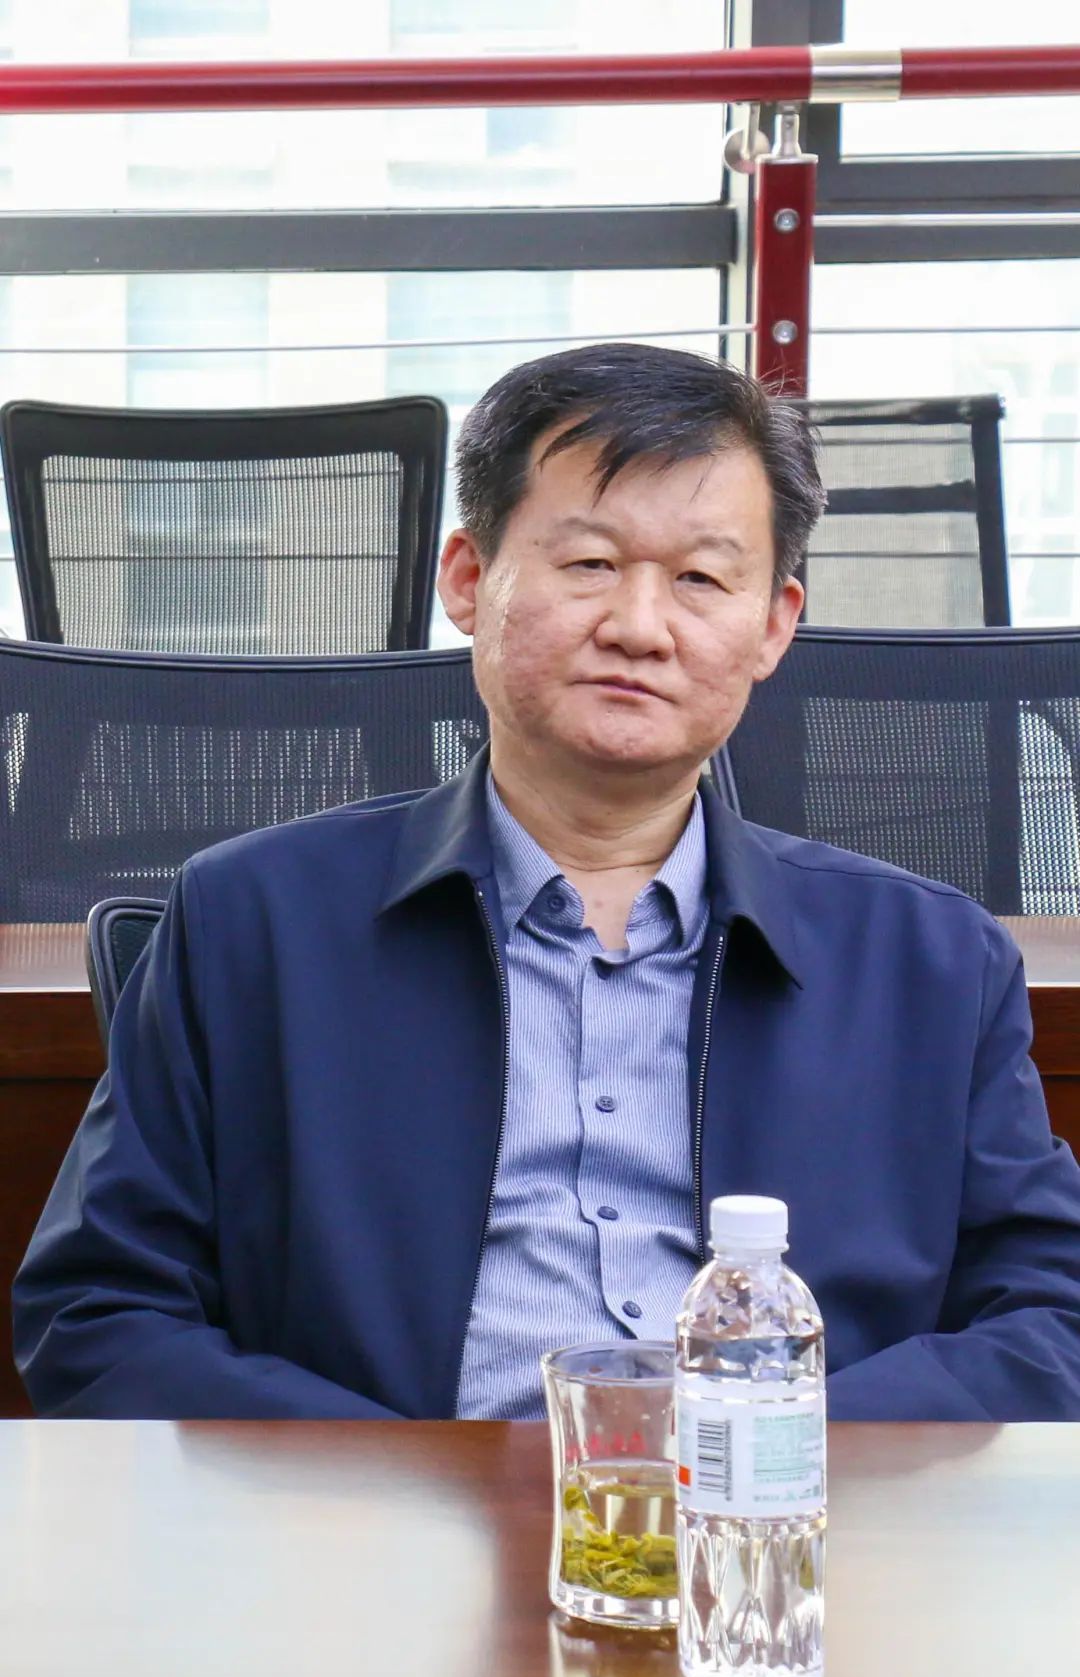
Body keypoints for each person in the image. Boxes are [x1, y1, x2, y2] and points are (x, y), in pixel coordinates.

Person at [13, 342, 1080, 1421]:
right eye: (589, 563)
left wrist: (773, 1460)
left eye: (702, 579)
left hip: (798, 1515)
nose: (640, 627)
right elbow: (100, 1312)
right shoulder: (251, 921)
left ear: (772, 625)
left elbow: (1054, 1315)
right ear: (469, 580)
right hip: (373, 1517)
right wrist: (397, 1486)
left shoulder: (932, 960)